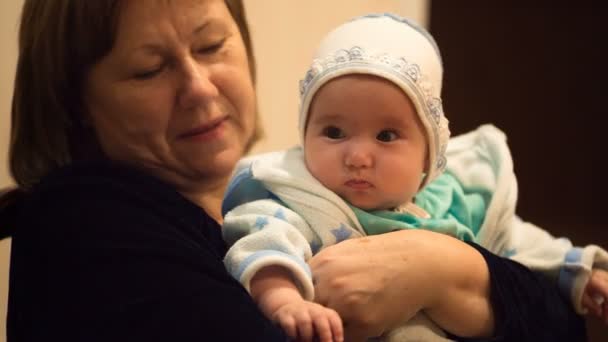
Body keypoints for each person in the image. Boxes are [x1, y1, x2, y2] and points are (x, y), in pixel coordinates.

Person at [0, 1, 589, 342]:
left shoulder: (341, 194)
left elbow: (568, 324)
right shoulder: (83, 222)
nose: (200, 89)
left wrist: (445, 269)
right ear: (76, 105)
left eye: (211, 47)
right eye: (149, 70)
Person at [221, 13, 608, 341]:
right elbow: (264, 243)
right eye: (334, 132)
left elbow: (519, 244)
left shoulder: (456, 197)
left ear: (430, 152)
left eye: (386, 136)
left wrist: (577, 272)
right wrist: (286, 302)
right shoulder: (297, 197)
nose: (357, 157)